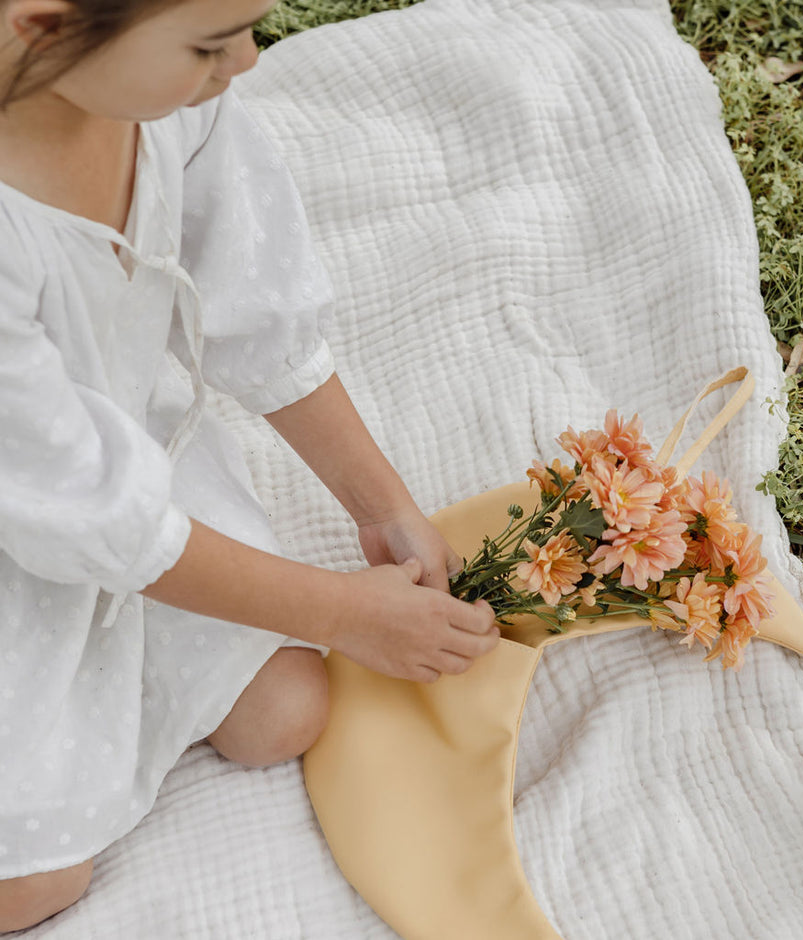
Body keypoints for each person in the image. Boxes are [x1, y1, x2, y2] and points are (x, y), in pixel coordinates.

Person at [0, 0, 499, 930]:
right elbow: (87, 516)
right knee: (40, 876)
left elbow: (255, 303)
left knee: (285, 712)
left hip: (120, 455)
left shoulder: (170, 105)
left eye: (249, 24)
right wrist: (345, 612)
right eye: (207, 43)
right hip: (28, 514)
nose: (247, 62)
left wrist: (380, 503)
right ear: (45, 26)